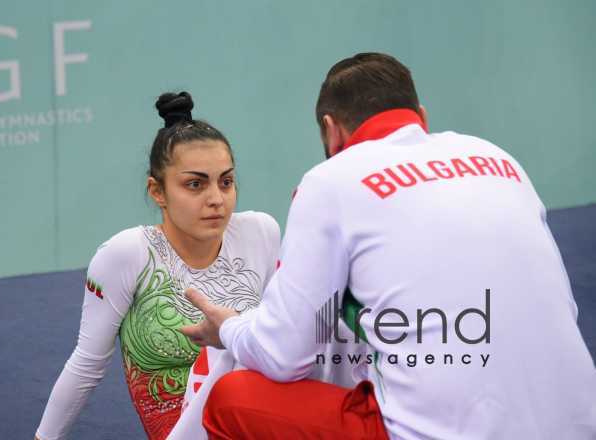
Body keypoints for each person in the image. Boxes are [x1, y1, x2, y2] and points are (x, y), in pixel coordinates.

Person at [180, 53, 596, 439]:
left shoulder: (331, 181)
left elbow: (284, 355)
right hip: (579, 423)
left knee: (233, 400)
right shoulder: (499, 158)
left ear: (331, 129)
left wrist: (229, 328)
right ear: (421, 118)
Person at [34, 92, 280, 440]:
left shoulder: (261, 232)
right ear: (158, 191)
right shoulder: (127, 254)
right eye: (195, 184)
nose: (216, 198)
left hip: (259, 418)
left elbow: (279, 338)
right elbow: (87, 364)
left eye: (225, 181)